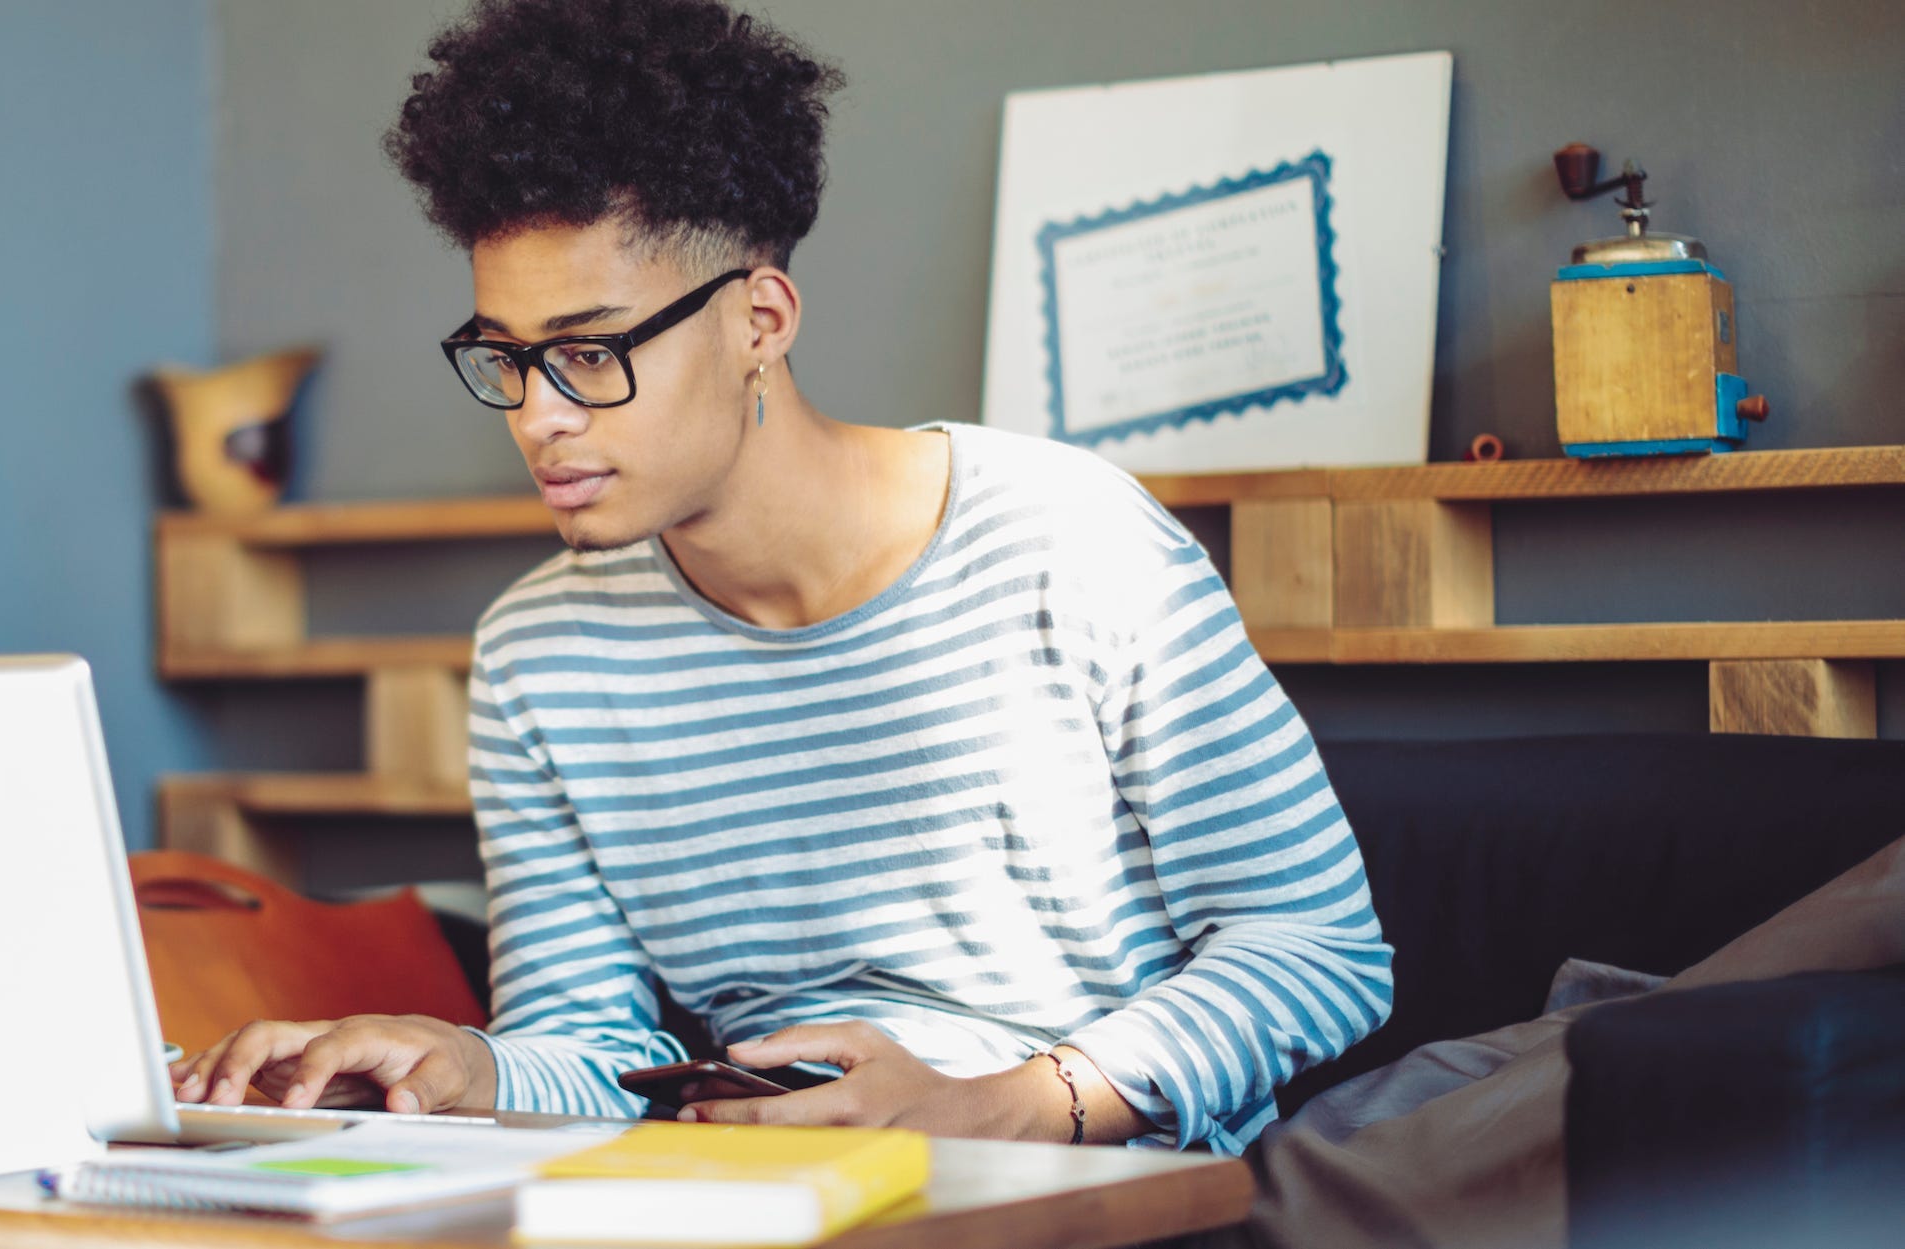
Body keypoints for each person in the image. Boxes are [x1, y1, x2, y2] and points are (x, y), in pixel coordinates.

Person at [173, 0, 1390, 1153]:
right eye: (506, 358)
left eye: (590, 352)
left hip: (1094, 1170)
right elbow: (594, 1051)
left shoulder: (1068, 543)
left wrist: (1015, 1104)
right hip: (761, 1179)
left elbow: (1320, 948)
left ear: (760, 317)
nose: (538, 415)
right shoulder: (542, 654)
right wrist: (461, 1065)